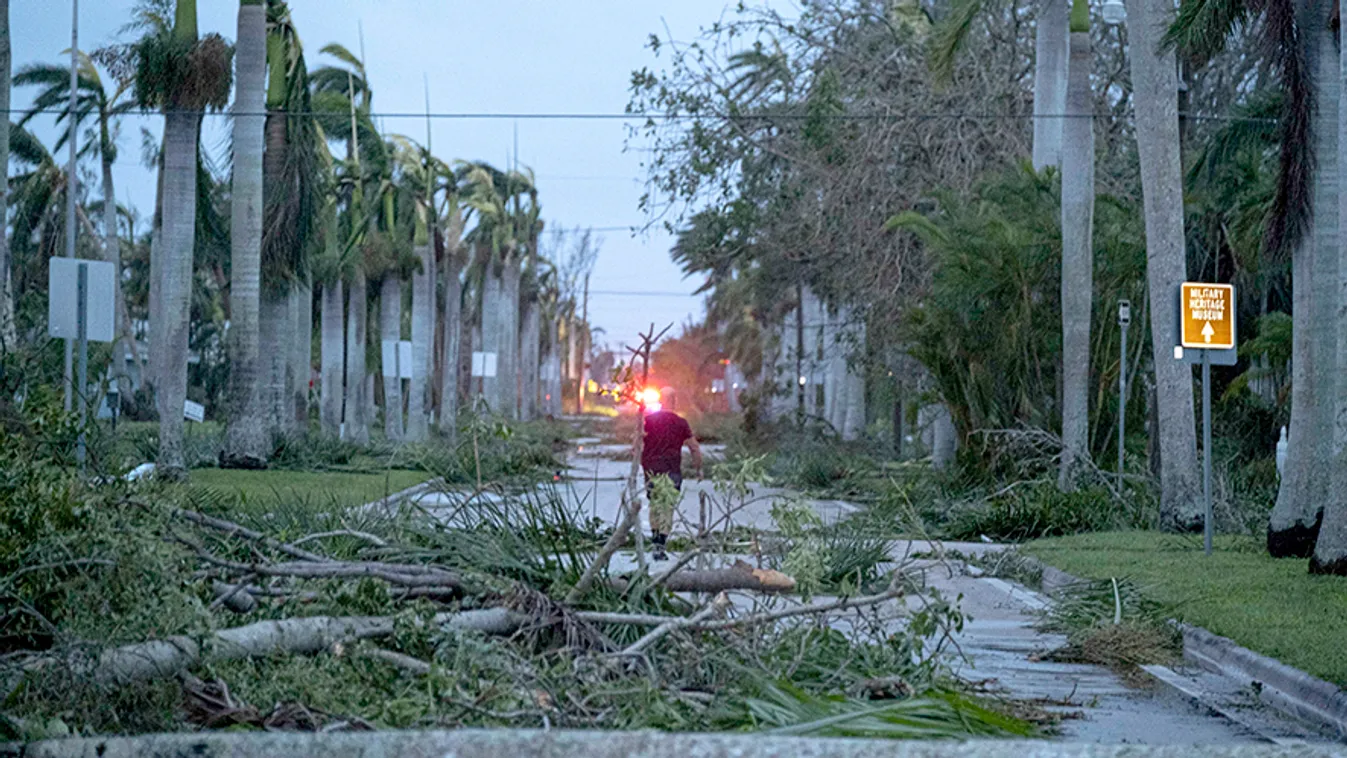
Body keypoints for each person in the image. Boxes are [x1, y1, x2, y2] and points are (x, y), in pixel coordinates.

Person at [641, 393, 702, 560]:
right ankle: (661, 544)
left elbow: (637, 441)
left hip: (651, 470)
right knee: (667, 507)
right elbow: (694, 447)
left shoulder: (648, 420)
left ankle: (655, 541)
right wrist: (698, 468)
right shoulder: (681, 423)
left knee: (655, 504)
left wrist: (639, 459)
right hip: (672, 470)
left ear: (661, 401)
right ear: (675, 401)